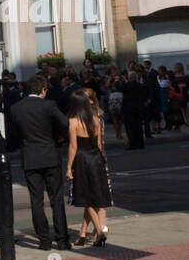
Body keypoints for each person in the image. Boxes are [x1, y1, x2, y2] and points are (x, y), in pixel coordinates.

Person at [10, 73, 70, 250]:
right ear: (43, 90)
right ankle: (62, 239)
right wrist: (56, 136)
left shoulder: (16, 108)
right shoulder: (48, 105)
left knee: (36, 201)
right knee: (56, 199)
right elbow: (65, 123)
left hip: (30, 156)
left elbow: (14, 134)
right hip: (50, 154)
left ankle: (44, 241)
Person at [66, 88, 112, 247]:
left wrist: (68, 166)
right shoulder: (95, 120)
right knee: (96, 196)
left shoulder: (73, 121)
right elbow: (99, 144)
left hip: (82, 159)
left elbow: (73, 146)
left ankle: (99, 231)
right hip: (96, 158)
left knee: (86, 198)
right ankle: (88, 232)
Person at [121, 70, 145, 150]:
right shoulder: (140, 86)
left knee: (130, 128)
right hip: (138, 109)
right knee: (138, 127)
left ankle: (133, 143)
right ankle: (140, 143)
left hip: (128, 109)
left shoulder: (127, 85)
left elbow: (120, 88)